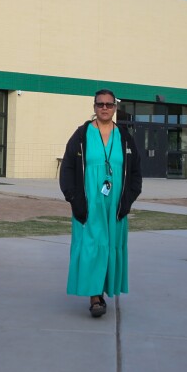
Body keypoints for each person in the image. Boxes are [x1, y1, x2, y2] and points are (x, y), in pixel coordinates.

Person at [60, 89, 142, 318]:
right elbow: (67, 168)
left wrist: (128, 200)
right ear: (94, 107)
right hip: (89, 203)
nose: (104, 108)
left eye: (109, 104)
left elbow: (135, 171)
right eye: (100, 104)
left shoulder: (125, 137)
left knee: (110, 247)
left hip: (115, 205)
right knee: (91, 246)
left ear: (115, 107)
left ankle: (104, 289)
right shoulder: (81, 135)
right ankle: (94, 297)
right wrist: (74, 198)